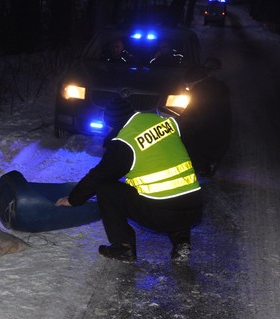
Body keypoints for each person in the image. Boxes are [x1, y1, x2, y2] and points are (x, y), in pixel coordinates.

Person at [55, 96, 202, 263]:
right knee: (175, 192)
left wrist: (73, 199)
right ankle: (181, 240)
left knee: (106, 189)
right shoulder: (163, 121)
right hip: (194, 208)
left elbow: (99, 176)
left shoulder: (125, 142)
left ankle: (123, 247)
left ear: (112, 122)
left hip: (161, 215)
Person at [176, 65, 231, 177]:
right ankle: (209, 165)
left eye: (187, 85)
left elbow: (191, 116)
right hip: (221, 134)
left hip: (206, 137)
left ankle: (202, 168)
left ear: (194, 81)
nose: (188, 88)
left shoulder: (200, 93)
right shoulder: (216, 89)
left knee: (189, 141)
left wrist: (177, 125)